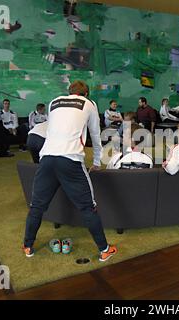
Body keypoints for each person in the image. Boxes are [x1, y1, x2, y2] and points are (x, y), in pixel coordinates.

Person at [22, 80, 117, 262]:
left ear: (69, 91)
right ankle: (104, 250)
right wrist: (96, 162)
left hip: (47, 159)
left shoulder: (54, 102)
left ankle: (28, 246)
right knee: (88, 207)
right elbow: (96, 135)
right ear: (86, 93)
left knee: (37, 207)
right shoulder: (89, 104)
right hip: (70, 160)